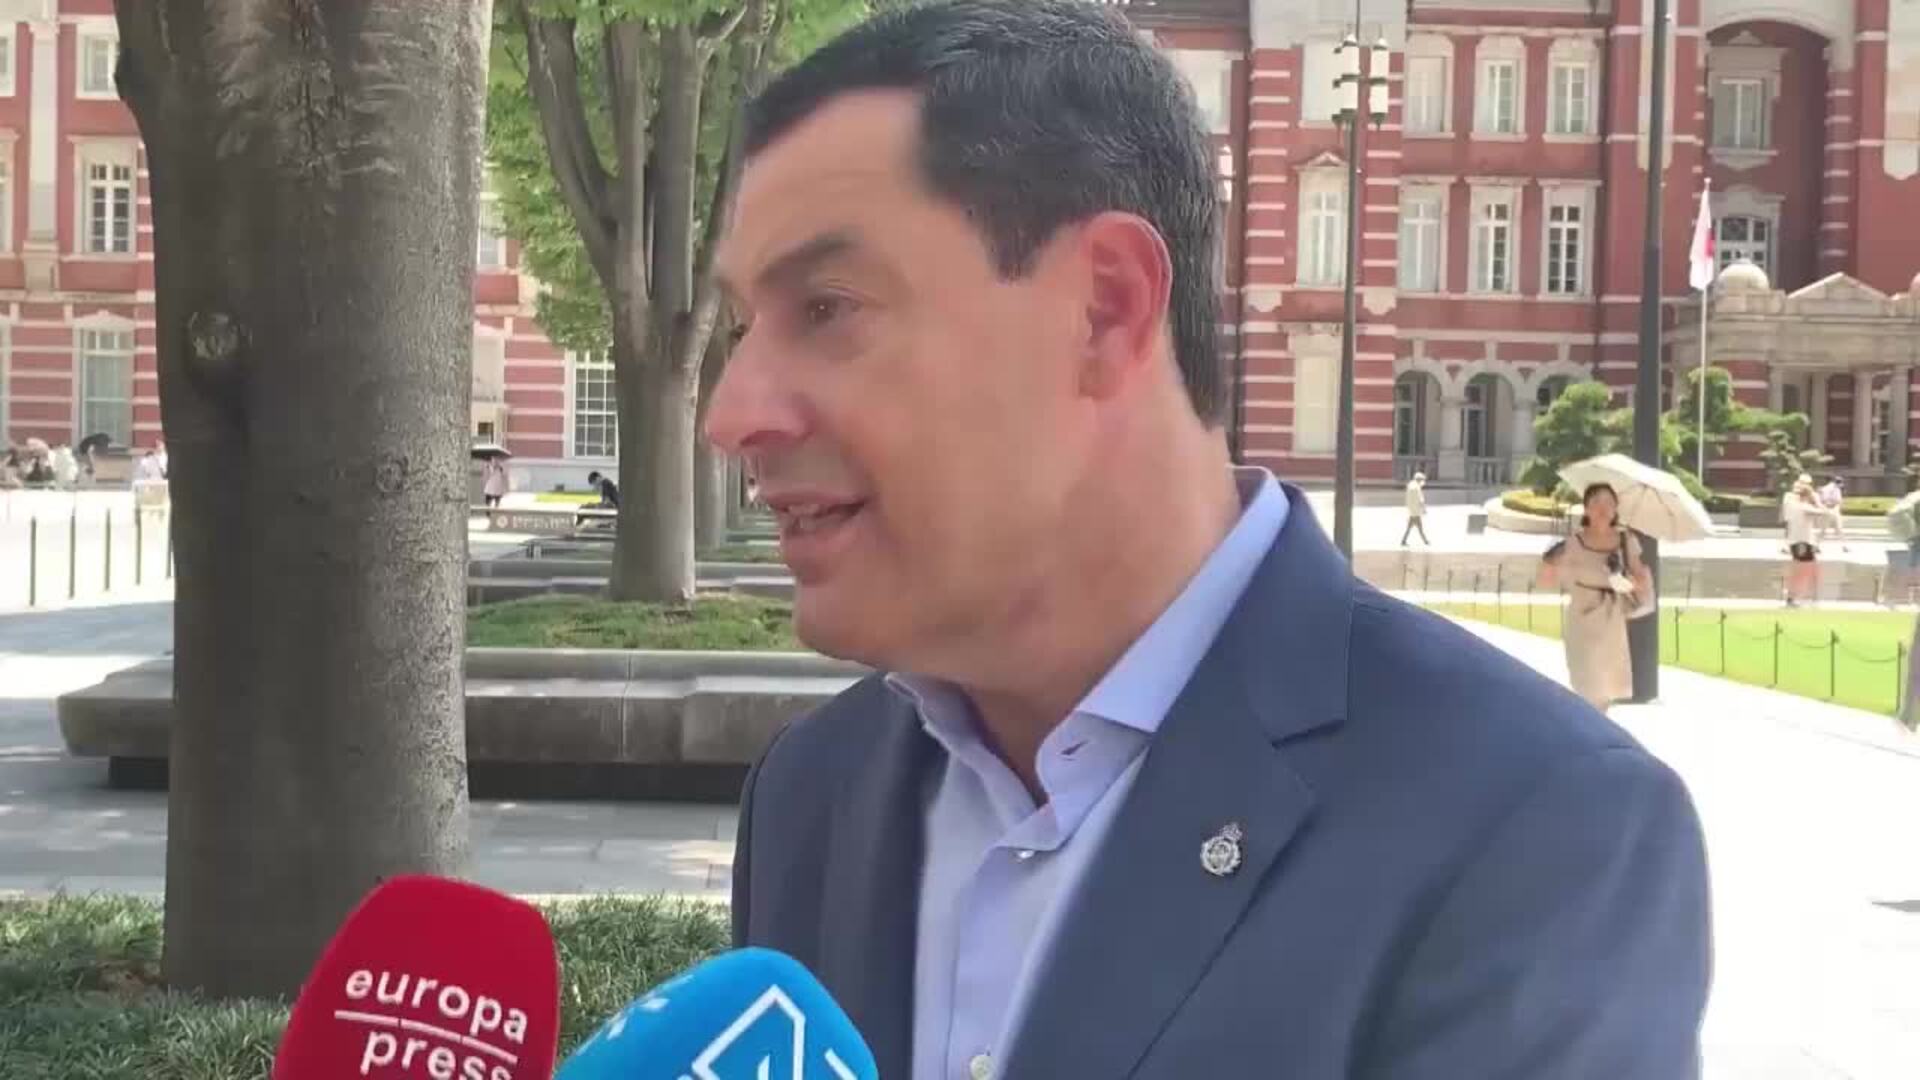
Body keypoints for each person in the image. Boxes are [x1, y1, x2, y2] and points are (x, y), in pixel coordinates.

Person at [709, 4, 1710, 1077]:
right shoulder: (815, 789)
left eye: (828, 307)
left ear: (1104, 309)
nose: (731, 412)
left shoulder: (1537, 829)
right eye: (742, 327)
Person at [1537, 483, 1653, 713]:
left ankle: (1598, 724)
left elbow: (1641, 578)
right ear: (1586, 508)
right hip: (1582, 620)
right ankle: (1590, 724)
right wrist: (1549, 560)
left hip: (1612, 622)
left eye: (1609, 502)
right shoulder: (1571, 543)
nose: (1603, 508)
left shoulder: (1625, 540)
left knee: (1606, 686)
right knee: (1587, 682)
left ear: (1616, 509)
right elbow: (1545, 581)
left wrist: (1625, 580)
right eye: (1597, 502)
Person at [1782, 475, 1827, 606]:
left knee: (1800, 570)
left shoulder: (1790, 502)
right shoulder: (1804, 507)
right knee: (1803, 571)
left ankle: (1794, 597)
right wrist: (1817, 500)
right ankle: (1798, 597)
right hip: (1803, 542)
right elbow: (1824, 512)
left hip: (1795, 541)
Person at [1400, 470, 1429, 546]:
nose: (1423, 482)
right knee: (1419, 527)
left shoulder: (1410, 485)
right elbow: (1420, 500)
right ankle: (1426, 541)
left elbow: (1409, 499)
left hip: (1412, 511)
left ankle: (1404, 541)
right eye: (1422, 480)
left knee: (1410, 527)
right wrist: (1424, 509)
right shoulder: (1417, 487)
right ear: (1419, 479)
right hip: (1416, 512)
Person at [1817, 474, 1845, 549]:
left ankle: (1817, 545)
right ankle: (1844, 546)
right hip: (1833, 510)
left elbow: (1821, 500)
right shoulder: (1836, 489)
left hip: (1826, 510)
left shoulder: (1823, 488)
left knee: (1823, 529)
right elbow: (1838, 501)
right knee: (1839, 529)